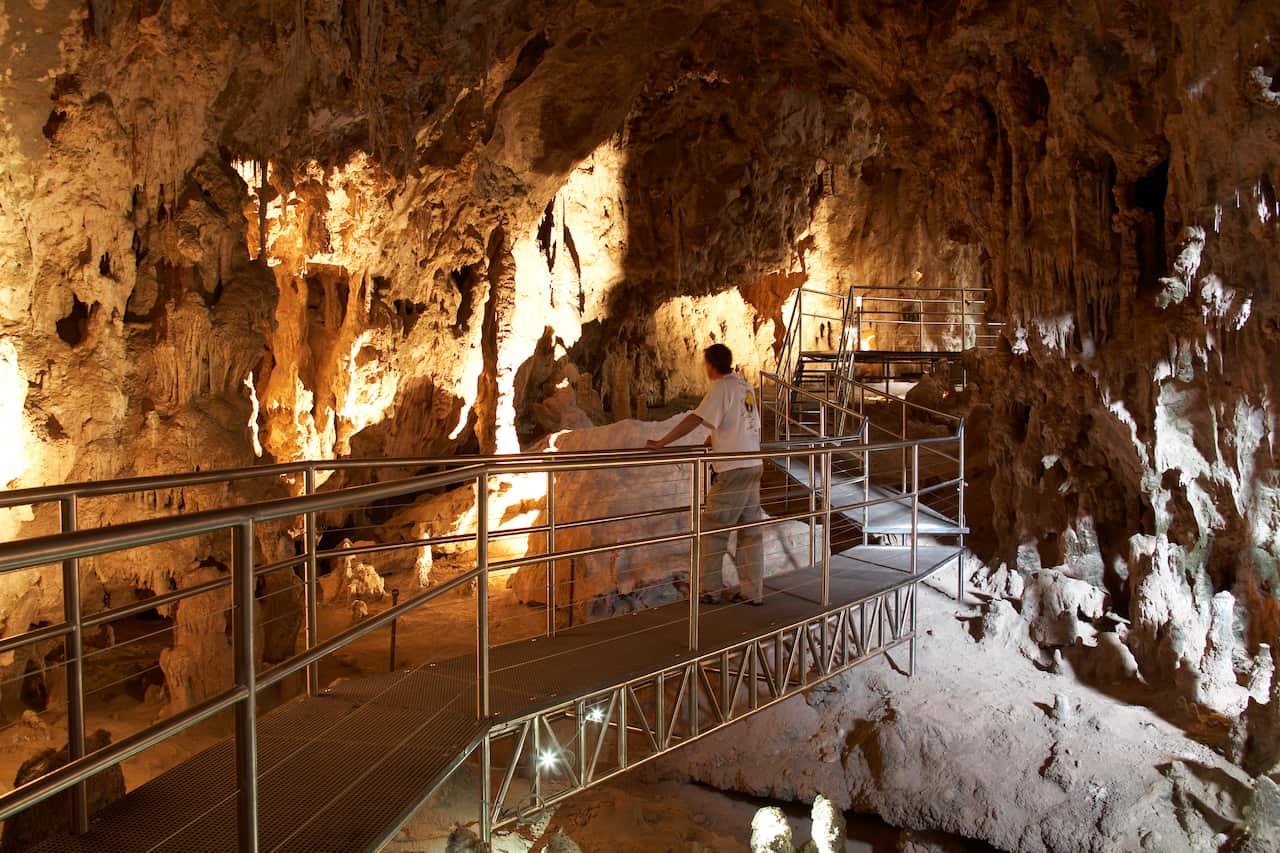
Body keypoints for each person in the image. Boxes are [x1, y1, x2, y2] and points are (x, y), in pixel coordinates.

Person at [645, 344, 765, 606]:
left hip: (734, 470)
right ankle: (752, 591)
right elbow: (737, 423)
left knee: (712, 529)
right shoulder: (744, 386)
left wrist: (663, 442)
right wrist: (712, 442)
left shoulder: (721, 387)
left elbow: (695, 418)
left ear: (711, 364)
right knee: (749, 532)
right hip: (753, 464)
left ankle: (709, 590)